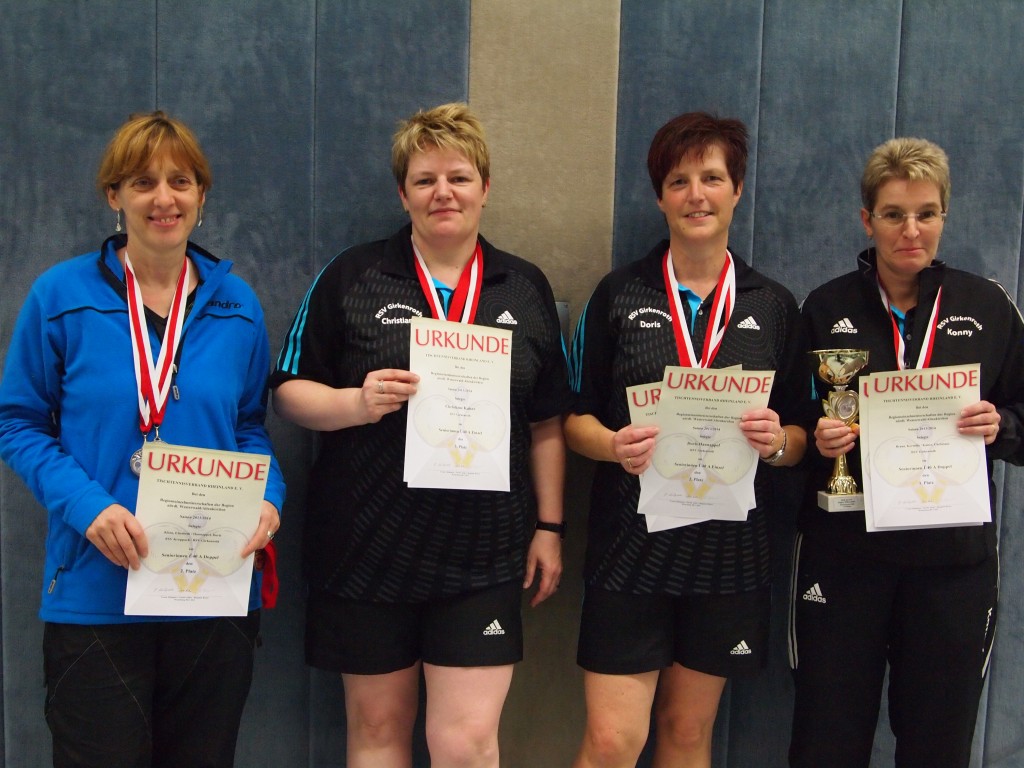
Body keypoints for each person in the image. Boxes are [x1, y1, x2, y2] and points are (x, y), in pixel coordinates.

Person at [270, 102, 569, 768]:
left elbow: (547, 420)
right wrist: (355, 402)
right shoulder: (352, 276)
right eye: (425, 179)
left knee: (465, 744)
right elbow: (287, 391)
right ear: (402, 193)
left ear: (485, 187)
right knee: (377, 732)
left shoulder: (524, 287)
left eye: (458, 178)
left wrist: (550, 526)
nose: (443, 193)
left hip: (484, 553)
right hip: (366, 546)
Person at [0, 111, 285, 767]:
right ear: (114, 196)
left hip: (211, 590)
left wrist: (268, 497)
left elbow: (249, 426)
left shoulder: (237, 304)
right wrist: (88, 506)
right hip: (97, 589)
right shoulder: (61, 296)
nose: (164, 198)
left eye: (180, 181)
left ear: (202, 195)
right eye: (142, 182)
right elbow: (18, 422)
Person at [566, 111, 807, 768]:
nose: (696, 194)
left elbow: (801, 436)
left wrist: (775, 443)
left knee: (685, 732)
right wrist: (612, 445)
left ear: (737, 190)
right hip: (630, 550)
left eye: (712, 178)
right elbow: (575, 418)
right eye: (679, 181)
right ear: (660, 197)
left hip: (729, 555)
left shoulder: (774, 305)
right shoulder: (619, 295)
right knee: (613, 741)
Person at [789, 137, 1024, 768]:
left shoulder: (987, 306)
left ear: (944, 216)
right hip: (845, 558)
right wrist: (817, 439)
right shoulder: (826, 307)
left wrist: (1002, 424)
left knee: (937, 747)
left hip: (951, 566)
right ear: (868, 220)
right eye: (894, 214)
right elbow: (786, 424)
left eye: (926, 213)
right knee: (826, 743)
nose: (911, 230)